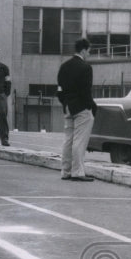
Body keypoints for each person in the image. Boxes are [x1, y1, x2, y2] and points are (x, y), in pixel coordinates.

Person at [57, 37, 97, 182]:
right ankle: (78, 172)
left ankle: (65, 171)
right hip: (81, 108)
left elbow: (59, 90)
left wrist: (65, 103)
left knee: (68, 140)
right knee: (79, 141)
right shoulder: (86, 68)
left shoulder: (64, 66)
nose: (89, 54)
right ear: (83, 50)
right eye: (88, 51)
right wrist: (91, 106)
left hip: (68, 106)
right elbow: (86, 92)